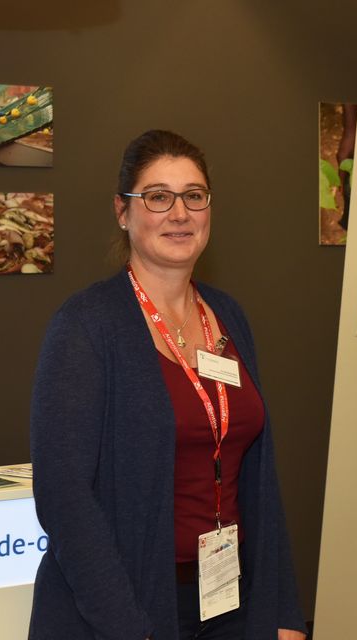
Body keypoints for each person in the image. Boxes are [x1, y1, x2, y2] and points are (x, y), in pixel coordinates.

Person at [29, 130, 306, 640]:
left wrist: (282, 607)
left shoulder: (228, 316)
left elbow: (259, 479)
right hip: (123, 610)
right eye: (158, 196)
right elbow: (63, 498)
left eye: (193, 196)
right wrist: (129, 628)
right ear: (123, 211)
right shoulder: (86, 325)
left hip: (229, 600)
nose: (179, 214)